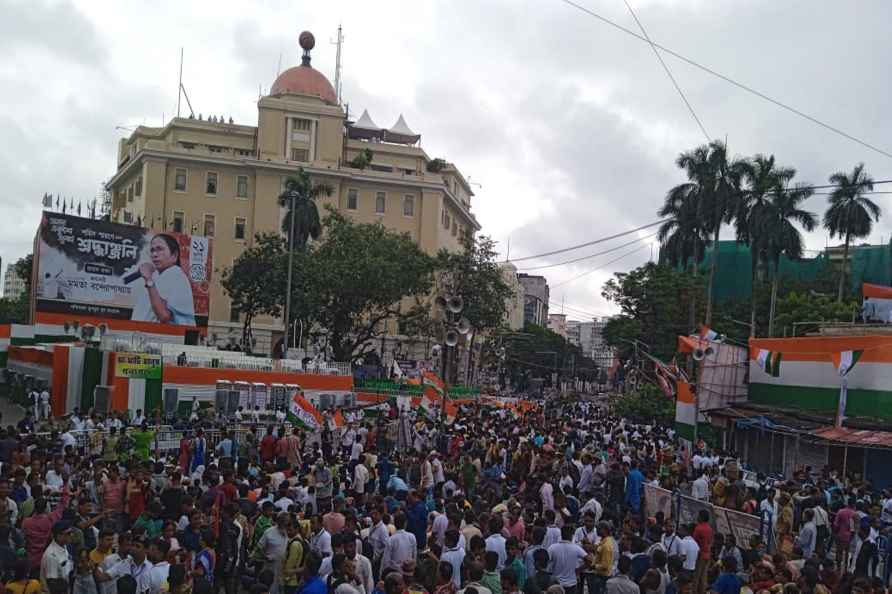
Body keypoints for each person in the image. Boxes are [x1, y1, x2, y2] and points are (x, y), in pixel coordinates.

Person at [130, 233, 196, 325]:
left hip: (160, 337)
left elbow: (164, 316)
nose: (154, 254)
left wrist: (148, 279)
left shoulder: (175, 275)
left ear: (174, 256)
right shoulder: (157, 276)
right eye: (152, 250)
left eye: (159, 249)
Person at [40, 521, 73, 593]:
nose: (71, 535)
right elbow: (53, 584)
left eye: (71, 532)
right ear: (58, 536)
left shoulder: (65, 546)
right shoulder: (51, 555)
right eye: (68, 533)